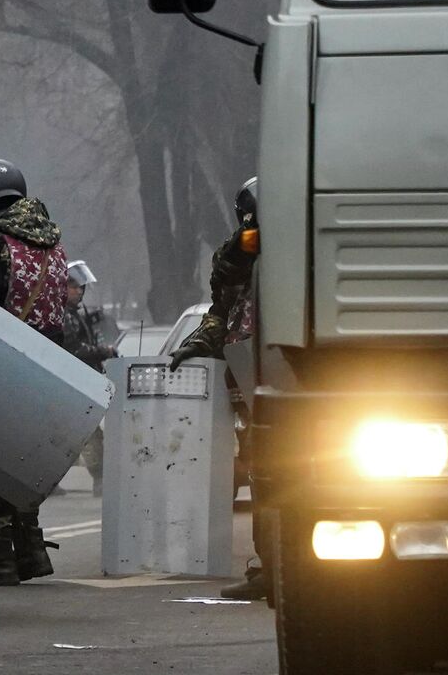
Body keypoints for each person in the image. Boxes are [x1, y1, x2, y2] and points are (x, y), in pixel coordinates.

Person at [0, 158, 70, 587]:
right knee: (26, 464)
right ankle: (31, 554)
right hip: (48, 366)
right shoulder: (55, 245)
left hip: (4, 364)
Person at [169, 178, 262, 601]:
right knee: (264, 471)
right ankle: (270, 564)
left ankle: (285, 563)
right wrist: (199, 343)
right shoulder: (236, 254)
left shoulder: (304, 253)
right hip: (249, 377)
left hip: (293, 373)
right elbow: (221, 311)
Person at [60, 260, 118, 495]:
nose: (79, 292)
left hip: (81, 381)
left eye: (81, 288)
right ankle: (100, 479)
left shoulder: (75, 314)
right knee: (89, 434)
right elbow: (73, 350)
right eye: (74, 287)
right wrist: (103, 351)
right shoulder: (64, 316)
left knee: (78, 434)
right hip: (72, 382)